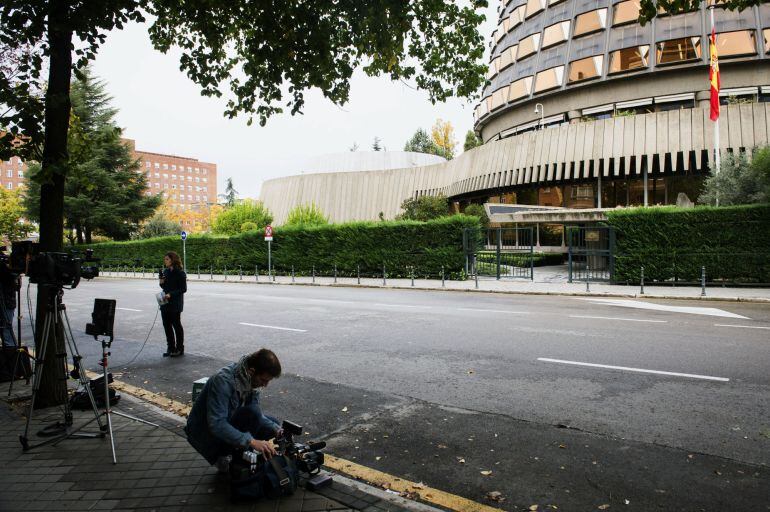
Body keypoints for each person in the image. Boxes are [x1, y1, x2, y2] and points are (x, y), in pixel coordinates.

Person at [185, 349, 283, 473]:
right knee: (252, 414)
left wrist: (277, 429)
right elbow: (217, 424)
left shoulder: (249, 381)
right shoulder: (222, 381)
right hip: (206, 436)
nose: (265, 385)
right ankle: (225, 457)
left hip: (226, 423)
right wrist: (251, 441)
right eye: (263, 380)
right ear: (251, 372)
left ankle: (241, 454)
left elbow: (257, 415)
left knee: (272, 424)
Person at [159, 251, 187, 357]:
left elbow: (183, 289)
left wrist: (171, 294)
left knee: (176, 325)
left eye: (167, 259)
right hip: (165, 302)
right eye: (165, 259)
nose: (165, 261)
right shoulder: (166, 272)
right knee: (167, 325)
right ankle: (170, 347)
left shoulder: (180, 273)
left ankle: (179, 348)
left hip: (175, 303)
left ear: (172, 260)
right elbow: (163, 287)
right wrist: (161, 282)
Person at [0, 257, 18, 348]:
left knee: (7, 330)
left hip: (7, 301)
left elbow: (16, 284)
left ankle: (12, 357)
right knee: (7, 330)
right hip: (8, 300)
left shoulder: (5, 261)